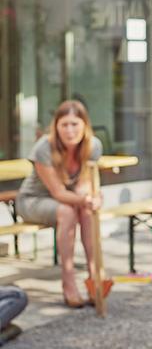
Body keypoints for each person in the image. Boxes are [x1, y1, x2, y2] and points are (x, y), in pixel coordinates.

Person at [15, 100, 103, 308]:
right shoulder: (44, 147)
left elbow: (83, 187)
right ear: (56, 126)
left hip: (69, 202)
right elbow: (58, 192)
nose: (70, 130)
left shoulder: (93, 146)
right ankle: (68, 282)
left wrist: (93, 198)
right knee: (68, 211)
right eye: (64, 125)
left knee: (87, 212)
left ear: (85, 125)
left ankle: (95, 277)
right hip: (33, 201)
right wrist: (85, 199)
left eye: (75, 124)